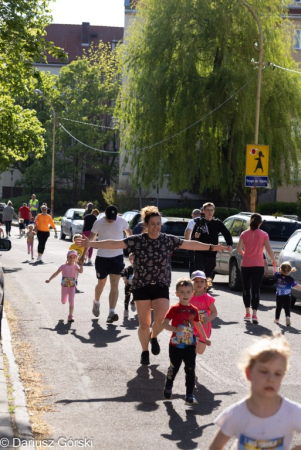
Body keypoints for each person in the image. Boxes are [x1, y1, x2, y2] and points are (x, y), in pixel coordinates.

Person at [76, 205, 226, 365]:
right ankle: (145, 351)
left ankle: (154, 337)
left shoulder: (167, 240)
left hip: (161, 285)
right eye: (153, 223)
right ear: (146, 225)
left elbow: (190, 244)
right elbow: (114, 244)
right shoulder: (137, 240)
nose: (156, 227)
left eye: (158, 223)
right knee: (144, 323)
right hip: (141, 286)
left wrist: (212, 247)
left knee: (161, 320)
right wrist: (91, 244)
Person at [209, 332, 301, 450]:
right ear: (249, 373)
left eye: (277, 374)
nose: (271, 379)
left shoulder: (291, 412)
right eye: (264, 371)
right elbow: (215, 446)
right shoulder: (236, 413)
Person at [79, 205, 131, 324]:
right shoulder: (98, 223)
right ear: (105, 214)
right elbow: (90, 240)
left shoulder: (122, 221)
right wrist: (83, 256)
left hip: (117, 258)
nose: (111, 220)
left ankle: (111, 312)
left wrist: (131, 247)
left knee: (114, 284)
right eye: (109, 218)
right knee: (101, 284)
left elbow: (129, 233)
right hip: (102, 258)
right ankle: (96, 302)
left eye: (113, 218)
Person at [162, 278, 210, 405]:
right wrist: (175, 329)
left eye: (188, 292)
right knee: (174, 367)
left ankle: (189, 395)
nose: (185, 295)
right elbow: (164, 324)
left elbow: (198, 325)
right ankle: (168, 385)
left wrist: (205, 338)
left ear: (192, 293)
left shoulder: (194, 310)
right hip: (175, 345)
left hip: (190, 344)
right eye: (182, 292)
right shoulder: (174, 308)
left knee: (190, 369)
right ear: (177, 294)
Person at [237, 213, 277, 325]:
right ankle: (255, 314)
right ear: (260, 223)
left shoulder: (244, 234)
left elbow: (239, 249)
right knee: (255, 289)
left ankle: (247, 312)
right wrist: (273, 260)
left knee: (246, 288)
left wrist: (245, 253)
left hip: (246, 265)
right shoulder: (264, 234)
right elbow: (269, 249)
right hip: (258, 265)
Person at [191, 202, 233, 284]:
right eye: (207, 210)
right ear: (203, 211)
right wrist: (195, 237)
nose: (209, 212)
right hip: (200, 252)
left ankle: (205, 292)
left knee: (209, 276)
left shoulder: (217, 223)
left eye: (211, 210)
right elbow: (192, 239)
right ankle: (198, 292)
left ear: (214, 211)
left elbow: (226, 233)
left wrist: (229, 244)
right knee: (199, 274)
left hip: (211, 253)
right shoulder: (199, 222)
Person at [45, 250, 83, 323]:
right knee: (63, 301)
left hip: (72, 286)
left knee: (71, 301)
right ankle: (63, 301)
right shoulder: (63, 266)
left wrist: (81, 265)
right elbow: (56, 273)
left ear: (76, 258)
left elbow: (81, 271)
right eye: (70, 257)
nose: (72, 259)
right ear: (67, 258)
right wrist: (49, 279)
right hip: (64, 287)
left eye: (74, 257)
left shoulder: (75, 266)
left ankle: (70, 316)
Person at [190, 270, 217, 356]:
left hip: (204, 327)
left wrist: (208, 319)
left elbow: (214, 312)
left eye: (202, 281)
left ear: (206, 284)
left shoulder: (207, 298)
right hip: (191, 327)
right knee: (192, 349)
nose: (199, 284)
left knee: (200, 351)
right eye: (196, 281)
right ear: (191, 283)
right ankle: (190, 365)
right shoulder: (189, 296)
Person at [274, 261, 301, 327]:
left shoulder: (278, 276)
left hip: (279, 295)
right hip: (287, 296)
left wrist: (274, 266)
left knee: (278, 307)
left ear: (280, 269)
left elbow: (274, 272)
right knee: (287, 308)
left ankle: (277, 319)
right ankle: (287, 317)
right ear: (289, 271)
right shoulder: (290, 279)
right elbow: (296, 286)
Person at [184, 209, 203, 276]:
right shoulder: (204, 221)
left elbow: (188, 231)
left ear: (193, 215)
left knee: (192, 262)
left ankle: (193, 277)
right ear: (200, 214)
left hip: (192, 245)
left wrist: (187, 243)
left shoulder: (192, 221)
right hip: (202, 246)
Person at [121, 253, 135, 318]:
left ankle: (133, 302)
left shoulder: (139, 269)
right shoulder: (128, 269)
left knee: (137, 296)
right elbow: (123, 274)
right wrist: (125, 279)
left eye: (134, 259)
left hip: (136, 286)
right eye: (131, 259)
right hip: (128, 286)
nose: (133, 261)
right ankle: (126, 310)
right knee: (127, 298)